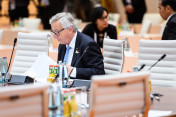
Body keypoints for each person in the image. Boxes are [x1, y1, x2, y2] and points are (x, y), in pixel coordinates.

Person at [49, 12, 105, 80]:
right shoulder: (62, 45)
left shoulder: (88, 44)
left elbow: (99, 72)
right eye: (53, 32)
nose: (54, 36)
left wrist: (73, 71)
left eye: (57, 32)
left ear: (70, 29)